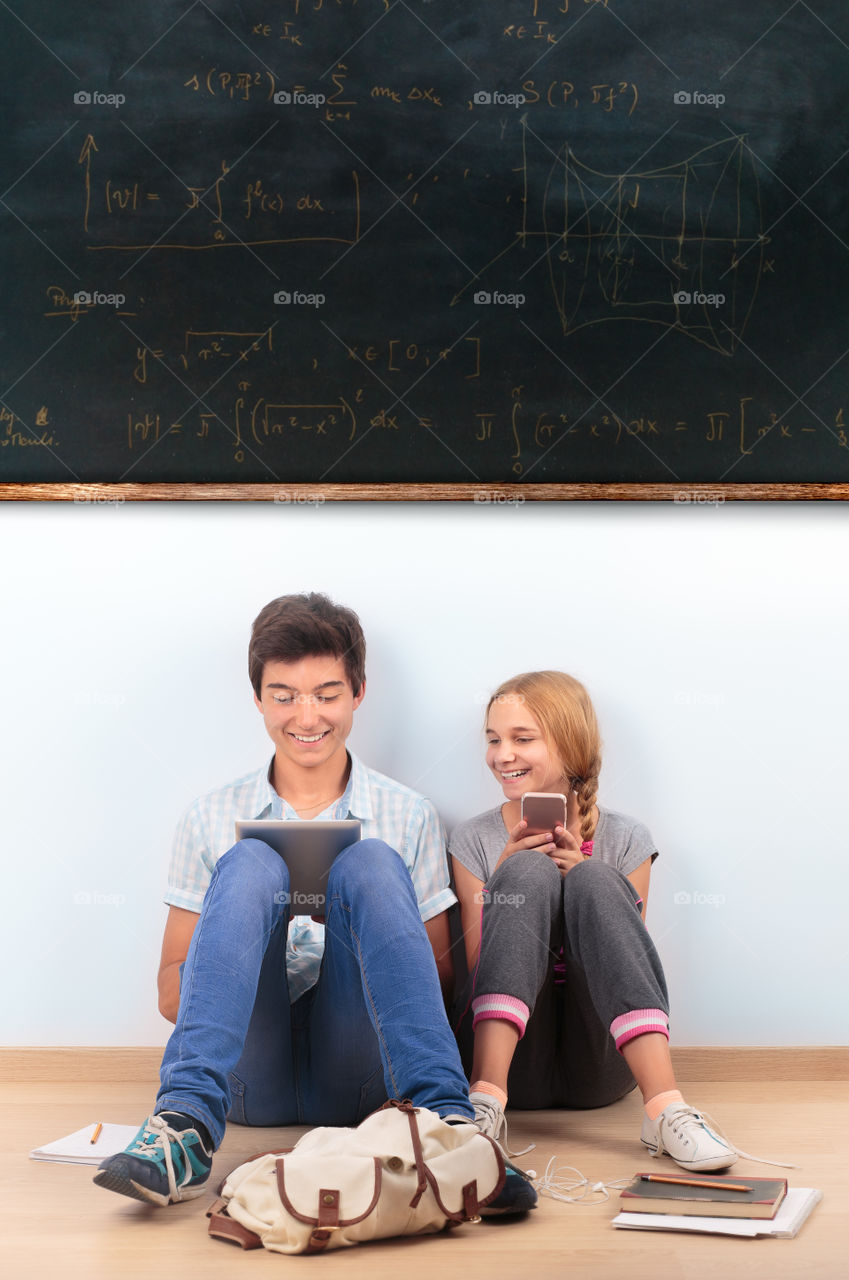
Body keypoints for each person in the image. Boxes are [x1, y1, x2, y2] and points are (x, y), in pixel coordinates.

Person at [94, 593, 535, 1213]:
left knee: (371, 861)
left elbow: (435, 979)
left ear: (358, 692)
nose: (307, 715)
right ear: (258, 699)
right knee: (250, 862)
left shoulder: (407, 814)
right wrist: (261, 930)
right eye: (285, 695)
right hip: (251, 1073)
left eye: (327, 694)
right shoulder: (209, 816)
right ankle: (183, 1128)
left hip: (355, 1069)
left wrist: (340, 929)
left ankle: (448, 1132)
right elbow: (171, 993)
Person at [450, 670, 738, 1174]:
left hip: (600, 1064)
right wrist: (504, 883)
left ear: (569, 743)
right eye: (494, 739)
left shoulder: (626, 838)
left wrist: (587, 877)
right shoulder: (472, 838)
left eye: (522, 739)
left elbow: (628, 966)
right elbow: (478, 966)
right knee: (524, 869)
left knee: (596, 881)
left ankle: (665, 1109)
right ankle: (485, 1104)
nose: (502, 755)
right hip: (514, 1061)